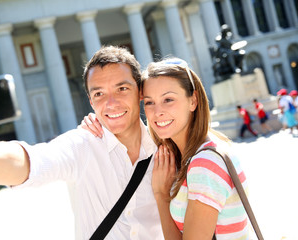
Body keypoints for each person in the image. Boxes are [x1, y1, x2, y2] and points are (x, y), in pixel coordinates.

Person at [0, 46, 164, 239]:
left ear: (140, 92)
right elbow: (31, 163)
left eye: (122, 89)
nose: (111, 103)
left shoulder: (167, 148)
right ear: (90, 101)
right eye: (99, 94)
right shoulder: (82, 145)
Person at [83, 58, 249, 239]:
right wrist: (101, 120)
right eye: (149, 102)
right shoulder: (195, 150)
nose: (157, 111)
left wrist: (161, 195)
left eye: (168, 99)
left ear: (193, 100)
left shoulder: (205, 165)